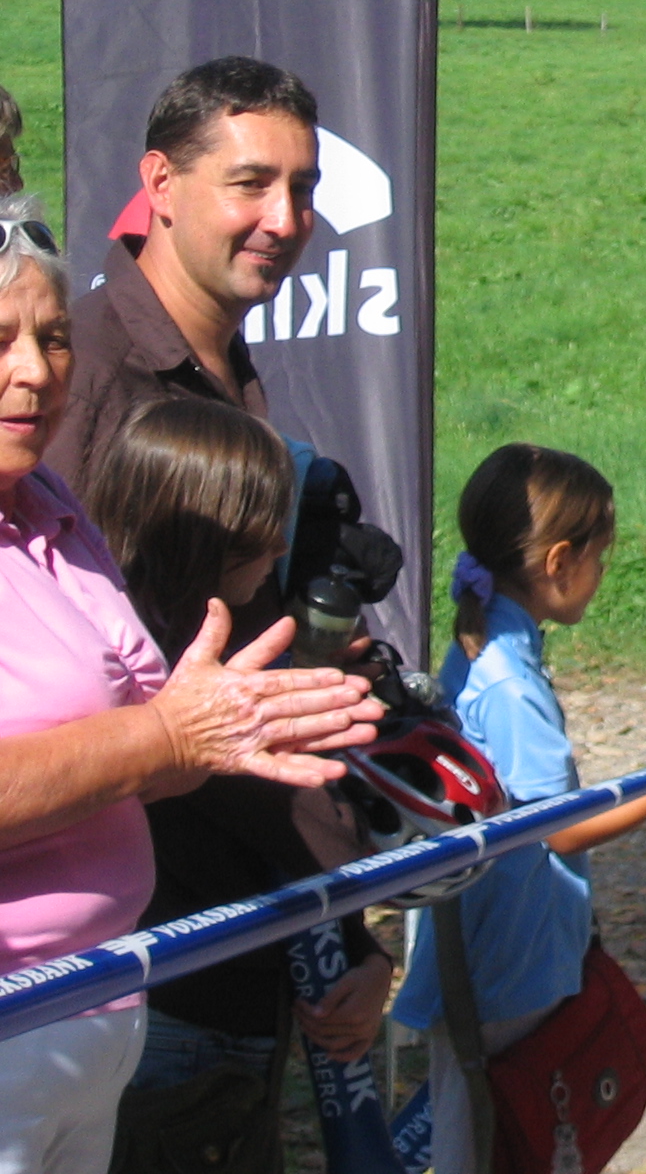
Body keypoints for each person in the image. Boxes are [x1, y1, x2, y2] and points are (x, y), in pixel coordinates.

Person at [0, 193, 381, 1174]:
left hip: (94, 1011)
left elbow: (153, 735)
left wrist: (236, 723)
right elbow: (149, 739)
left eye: (53, 338)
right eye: (0, 340)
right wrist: (168, 740)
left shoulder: (47, 503)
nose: (34, 370)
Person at [390, 445, 646, 1173]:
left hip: (496, 955)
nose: (604, 572)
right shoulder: (510, 685)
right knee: (500, 1141)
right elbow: (565, 830)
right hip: (508, 963)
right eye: (600, 557)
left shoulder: (489, 642)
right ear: (559, 561)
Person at [82, 398, 393, 1167]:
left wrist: (366, 954)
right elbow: (320, 833)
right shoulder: (187, 683)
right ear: (209, 542)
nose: (283, 547)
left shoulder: (121, 638)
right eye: (262, 531)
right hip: (189, 1028)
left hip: (207, 1004)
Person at [48, 59, 318, 495]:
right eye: (250, 184)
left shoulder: (219, 353)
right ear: (161, 183)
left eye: (302, 189)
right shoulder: (85, 384)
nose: (284, 222)